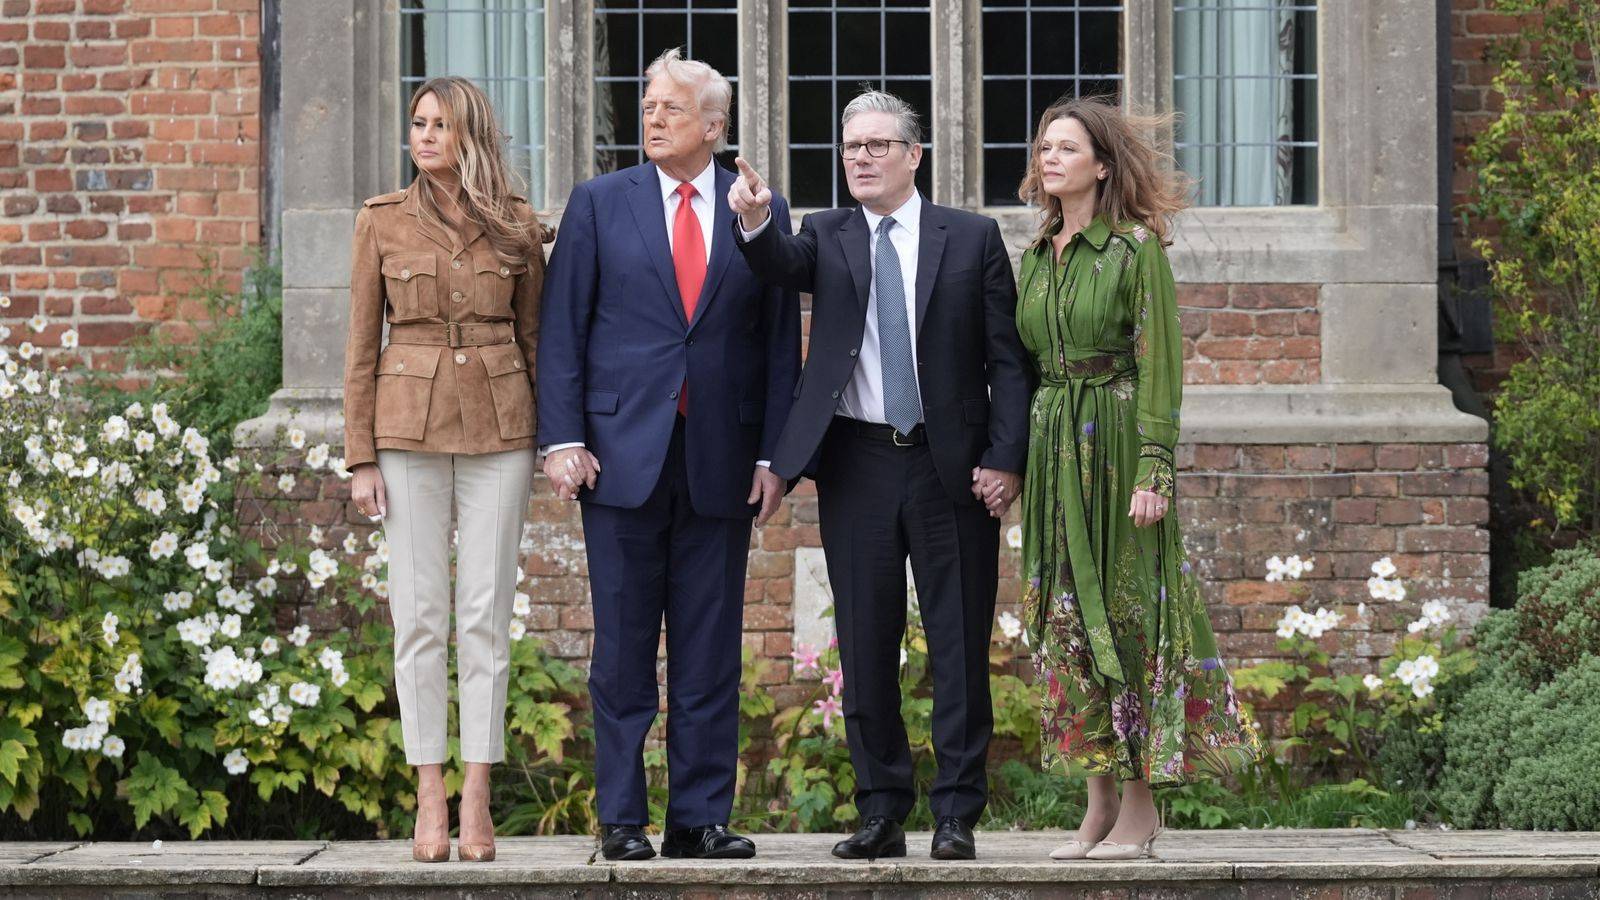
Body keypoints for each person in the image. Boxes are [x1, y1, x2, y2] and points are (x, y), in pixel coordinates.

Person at [728, 90, 1033, 861]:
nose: (859, 158)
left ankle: (957, 813)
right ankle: (881, 810)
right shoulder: (825, 234)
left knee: (958, 642)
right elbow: (777, 264)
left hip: (949, 465)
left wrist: (1005, 457)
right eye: (850, 147)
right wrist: (756, 220)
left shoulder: (971, 237)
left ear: (913, 155)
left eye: (876, 146)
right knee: (865, 643)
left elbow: (1007, 360)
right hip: (856, 462)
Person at [536, 48, 800, 861]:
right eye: (648, 105)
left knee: (709, 649)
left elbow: (778, 341)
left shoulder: (757, 209)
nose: (652, 118)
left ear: (714, 126)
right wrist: (564, 439)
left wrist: (774, 456)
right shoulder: (599, 203)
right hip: (619, 457)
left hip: (721, 458)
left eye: (671, 108)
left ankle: (699, 819)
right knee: (621, 650)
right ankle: (621, 818)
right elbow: (562, 327)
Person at [1010, 97, 1259, 862]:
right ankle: (1099, 803)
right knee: (1063, 618)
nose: (1050, 158)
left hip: (1117, 446)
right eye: (1044, 147)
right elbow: (1027, 368)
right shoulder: (1037, 253)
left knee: (1127, 616)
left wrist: (1155, 469)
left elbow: (1159, 364)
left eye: (1067, 148)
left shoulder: (1133, 250)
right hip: (1053, 448)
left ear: (1101, 166)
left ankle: (1143, 806)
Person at [343, 76, 547, 863]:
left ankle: (478, 793)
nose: (424, 136)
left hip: (502, 427)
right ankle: (430, 791)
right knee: (420, 615)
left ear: (471, 135)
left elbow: (535, 341)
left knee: (486, 617)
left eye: (440, 125)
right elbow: (360, 345)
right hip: (406, 429)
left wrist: (554, 438)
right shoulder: (381, 221)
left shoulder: (516, 225)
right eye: (417, 123)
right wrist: (361, 455)